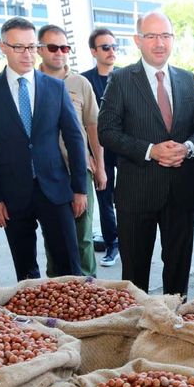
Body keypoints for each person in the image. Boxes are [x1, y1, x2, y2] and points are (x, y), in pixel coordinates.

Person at [97, 12, 194, 296]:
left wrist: (187, 148)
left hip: (181, 191)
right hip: (137, 193)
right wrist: (150, 151)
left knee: (178, 270)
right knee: (135, 275)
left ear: (172, 39)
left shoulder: (186, 79)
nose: (159, 43)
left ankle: (174, 328)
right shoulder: (121, 79)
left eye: (165, 36)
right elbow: (106, 131)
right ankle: (136, 330)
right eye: (151, 36)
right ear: (138, 40)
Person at [0, 17, 88, 281]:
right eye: (19, 47)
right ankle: (34, 321)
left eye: (32, 47)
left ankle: (77, 321)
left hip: (56, 190)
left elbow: (74, 139)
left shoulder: (55, 87)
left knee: (70, 266)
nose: (27, 54)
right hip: (12, 195)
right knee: (26, 272)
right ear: (3, 47)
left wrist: (80, 188)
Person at [37, 24, 107, 278]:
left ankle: (89, 290)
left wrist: (99, 167)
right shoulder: (31, 84)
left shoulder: (80, 83)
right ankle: (57, 292)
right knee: (53, 237)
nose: (60, 53)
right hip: (45, 176)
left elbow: (93, 126)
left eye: (64, 48)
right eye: (53, 47)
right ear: (40, 49)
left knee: (83, 237)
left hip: (78, 172)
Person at [81, 28, 120, 267]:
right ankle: (112, 244)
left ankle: (127, 240)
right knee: (104, 199)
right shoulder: (84, 80)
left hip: (126, 151)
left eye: (114, 46)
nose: (111, 51)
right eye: (105, 47)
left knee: (126, 200)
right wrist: (93, 157)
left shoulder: (127, 76)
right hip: (99, 150)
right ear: (94, 51)